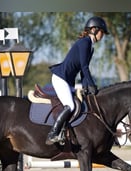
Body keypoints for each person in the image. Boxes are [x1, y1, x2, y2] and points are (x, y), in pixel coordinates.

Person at [46, 16, 109, 145]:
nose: (103, 36)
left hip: (68, 81)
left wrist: (87, 87)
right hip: (60, 78)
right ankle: (53, 133)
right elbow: (84, 67)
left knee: (79, 104)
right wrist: (91, 84)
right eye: (102, 32)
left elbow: (82, 70)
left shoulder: (90, 45)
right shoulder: (85, 42)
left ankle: (66, 132)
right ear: (94, 30)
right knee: (70, 105)